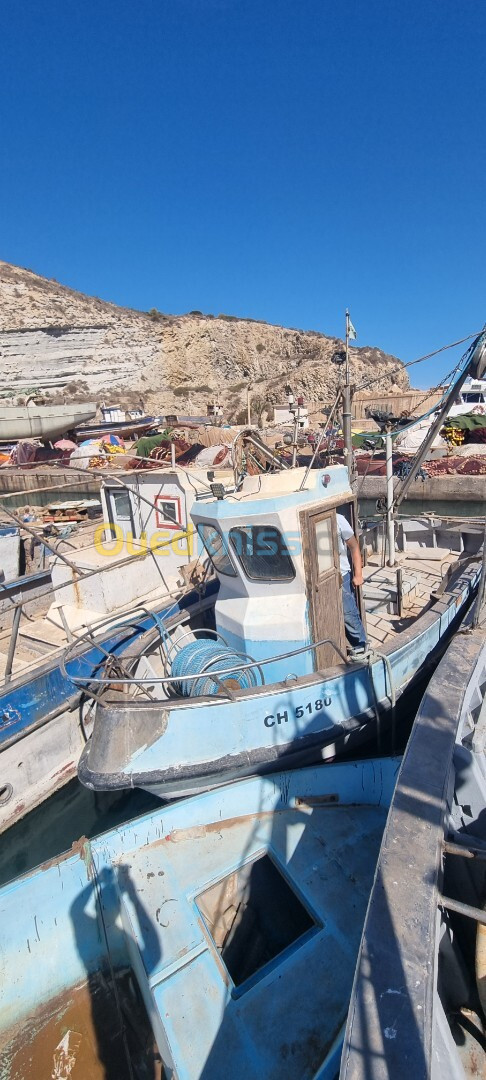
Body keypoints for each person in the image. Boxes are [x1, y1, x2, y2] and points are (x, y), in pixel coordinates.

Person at [336, 512, 367, 650]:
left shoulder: (339, 519)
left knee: (349, 615)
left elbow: (354, 546)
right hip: (321, 579)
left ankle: (362, 648)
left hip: (342, 576)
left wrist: (358, 575)